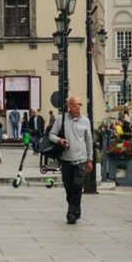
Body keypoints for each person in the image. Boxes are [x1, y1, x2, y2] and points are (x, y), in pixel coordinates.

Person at [49, 96, 93, 224]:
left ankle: (71, 214)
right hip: (66, 159)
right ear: (69, 105)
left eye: (80, 104)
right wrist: (60, 140)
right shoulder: (61, 119)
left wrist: (90, 159)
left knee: (77, 186)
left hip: (81, 160)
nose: (78, 107)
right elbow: (51, 135)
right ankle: (75, 210)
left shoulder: (85, 121)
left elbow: (89, 140)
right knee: (69, 188)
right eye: (75, 104)